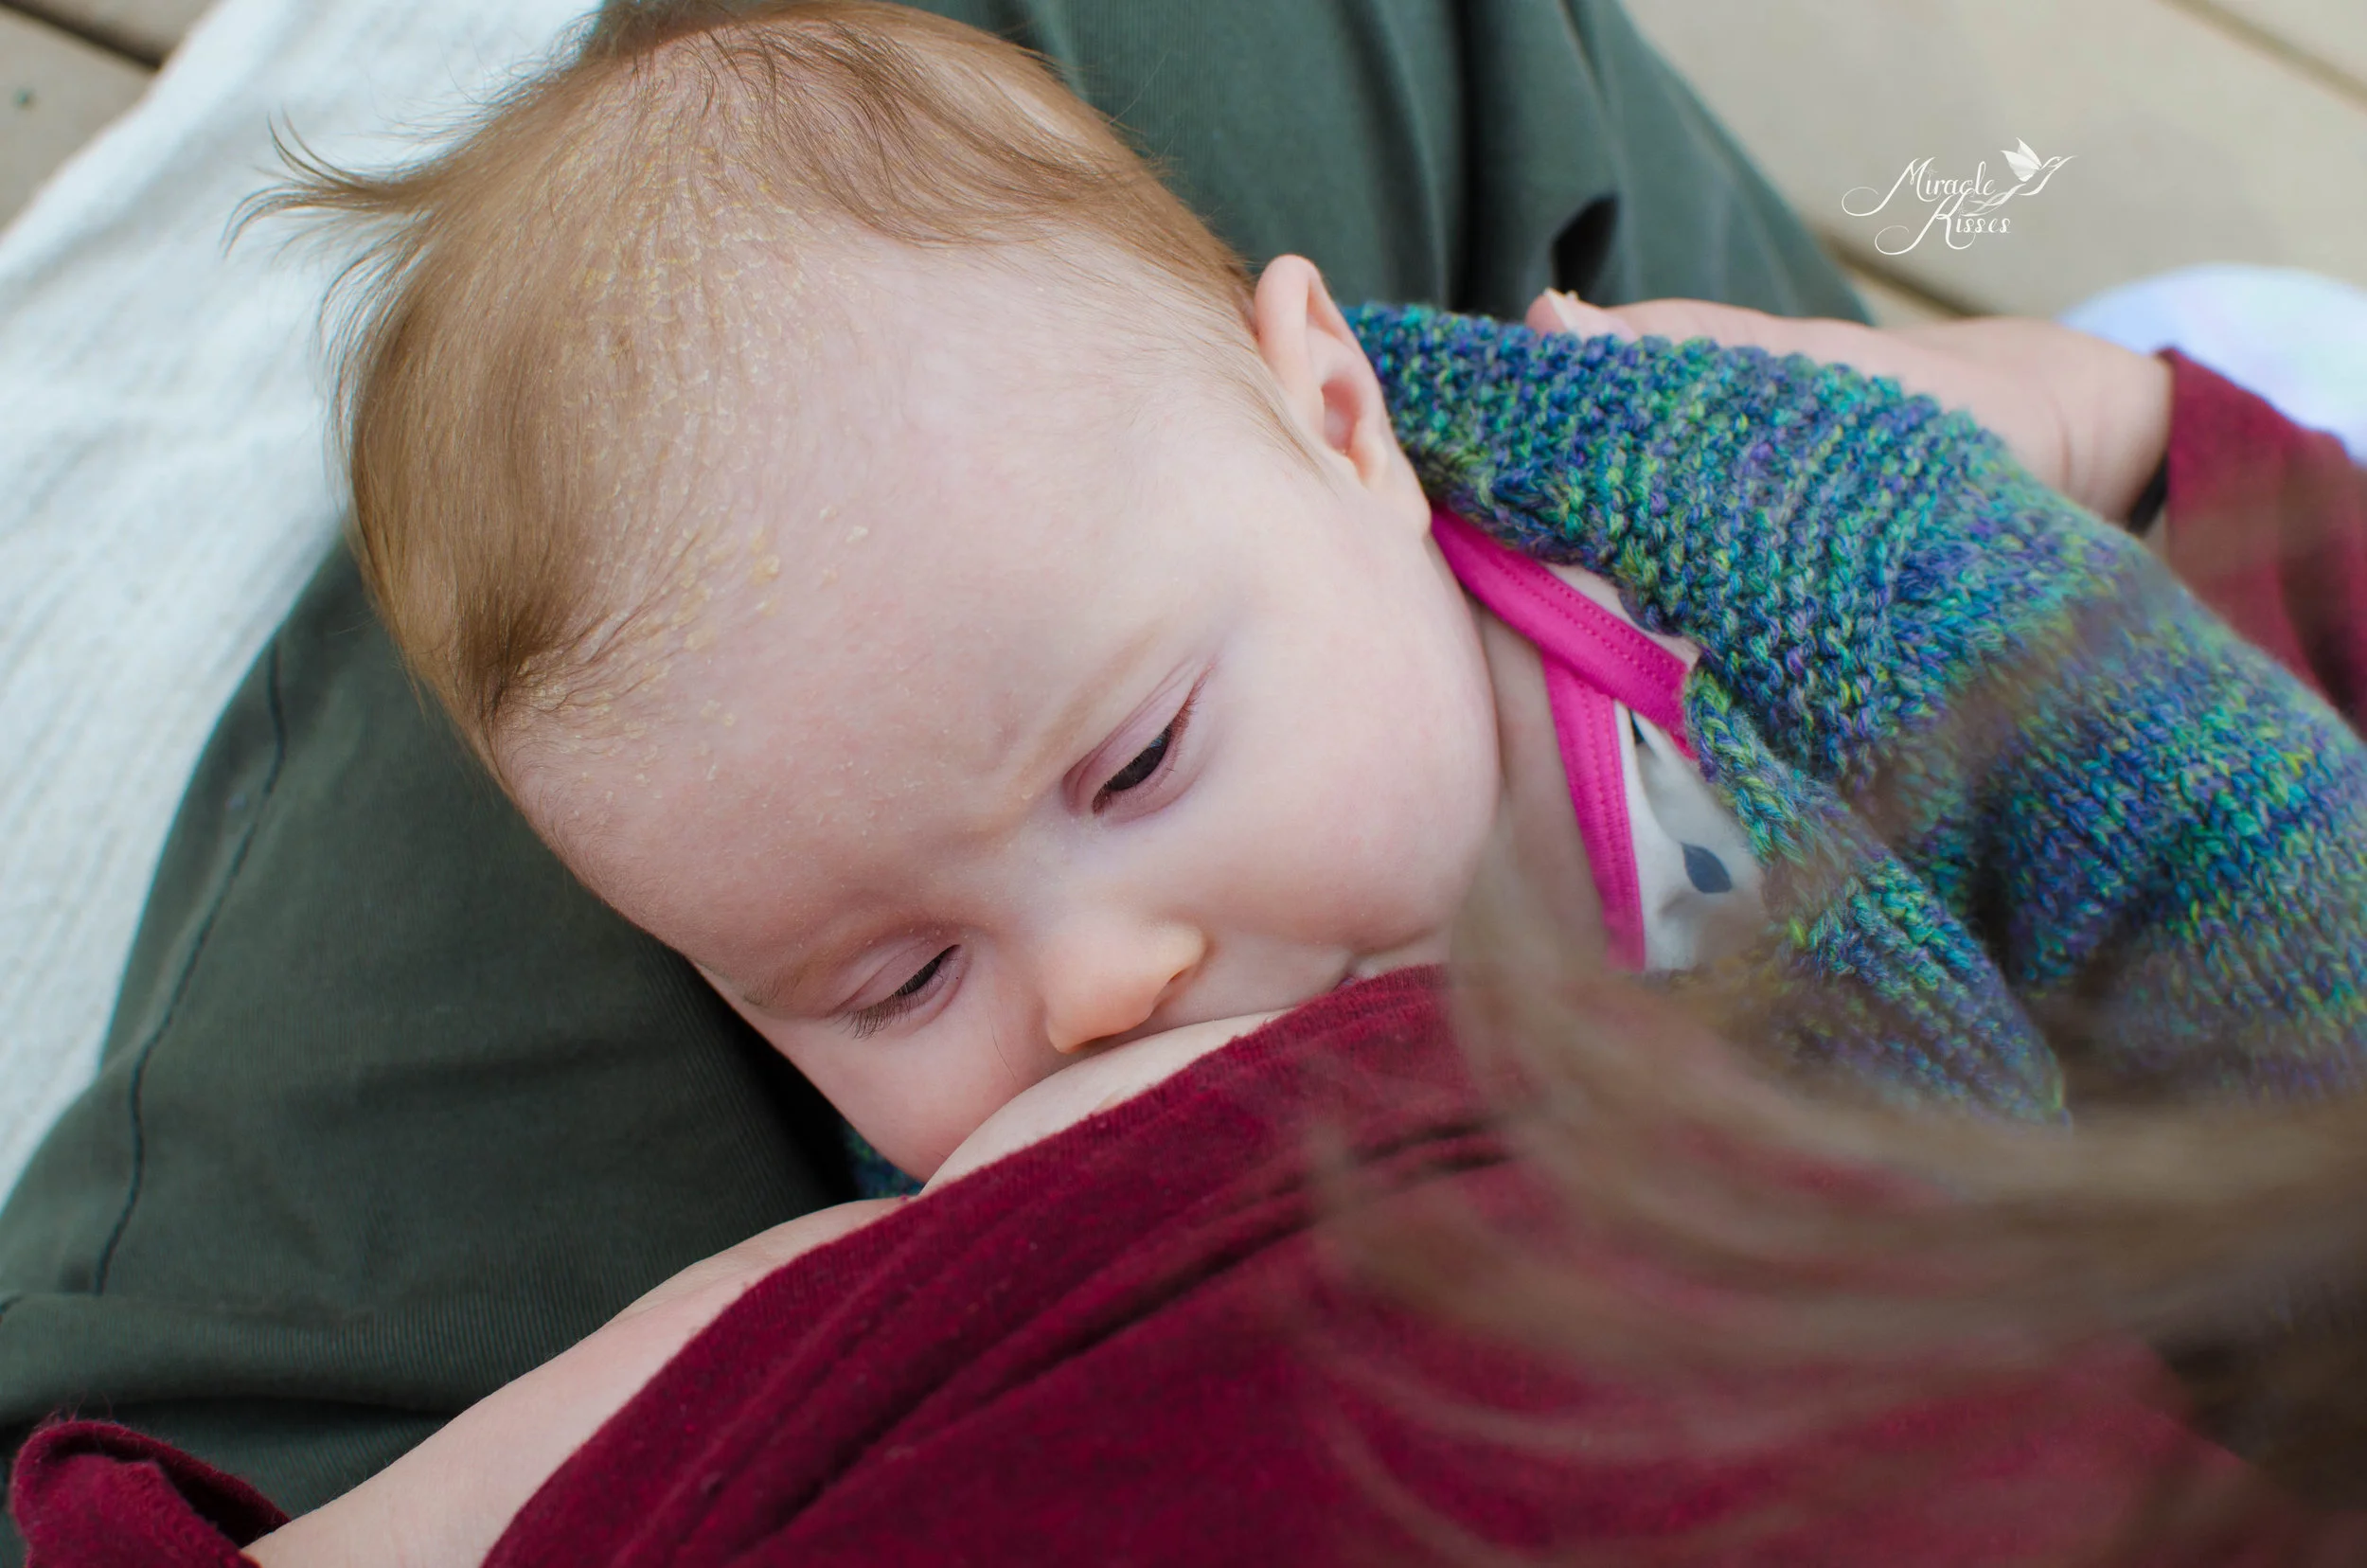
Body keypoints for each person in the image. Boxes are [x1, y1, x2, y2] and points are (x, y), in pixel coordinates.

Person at [0, 0, 1864, 1536]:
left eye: (1136, 766)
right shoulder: (998, 1223)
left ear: (1334, 419)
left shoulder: (1700, 661)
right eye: (894, 982)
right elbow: (689, 1371)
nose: (1096, 990)